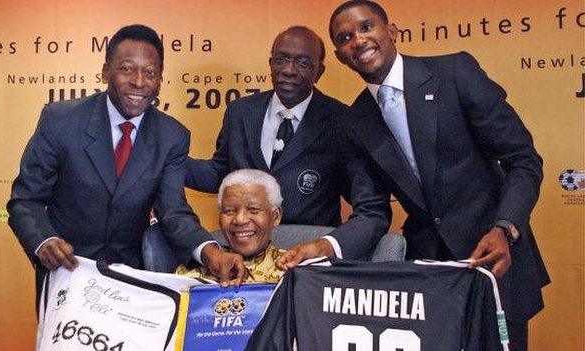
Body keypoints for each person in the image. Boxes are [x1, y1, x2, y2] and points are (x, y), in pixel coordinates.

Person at [276, 2, 549, 350]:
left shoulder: (455, 73)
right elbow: (373, 211)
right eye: (345, 38)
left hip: (496, 260)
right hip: (428, 279)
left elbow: (523, 160)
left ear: (391, 32)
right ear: (340, 56)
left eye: (366, 27)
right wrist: (323, 247)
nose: (358, 40)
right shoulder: (354, 122)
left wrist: (505, 228)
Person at [7, 25, 246, 302]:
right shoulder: (61, 120)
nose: (139, 81)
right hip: (66, 272)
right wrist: (44, 241)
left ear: (159, 80)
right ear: (106, 72)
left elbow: (173, 212)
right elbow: (26, 200)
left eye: (150, 72)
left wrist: (211, 252)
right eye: (127, 69)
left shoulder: (172, 136)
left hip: (132, 280)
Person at [186, 26, 348, 227]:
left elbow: (361, 196)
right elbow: (222, 175)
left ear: (319, 72)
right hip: (244, 243)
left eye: (303, 63)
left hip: (309, 249)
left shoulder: (341, 120)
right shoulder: (240, 112)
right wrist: (168, 162)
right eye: (281, 59)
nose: (289, 70)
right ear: (271, 63)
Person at [177, 169, 286, 283]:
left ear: (276, 216)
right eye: (229, 211)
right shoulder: (190, 274)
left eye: (253, 209)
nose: (240, 220)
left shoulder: (295, 271)